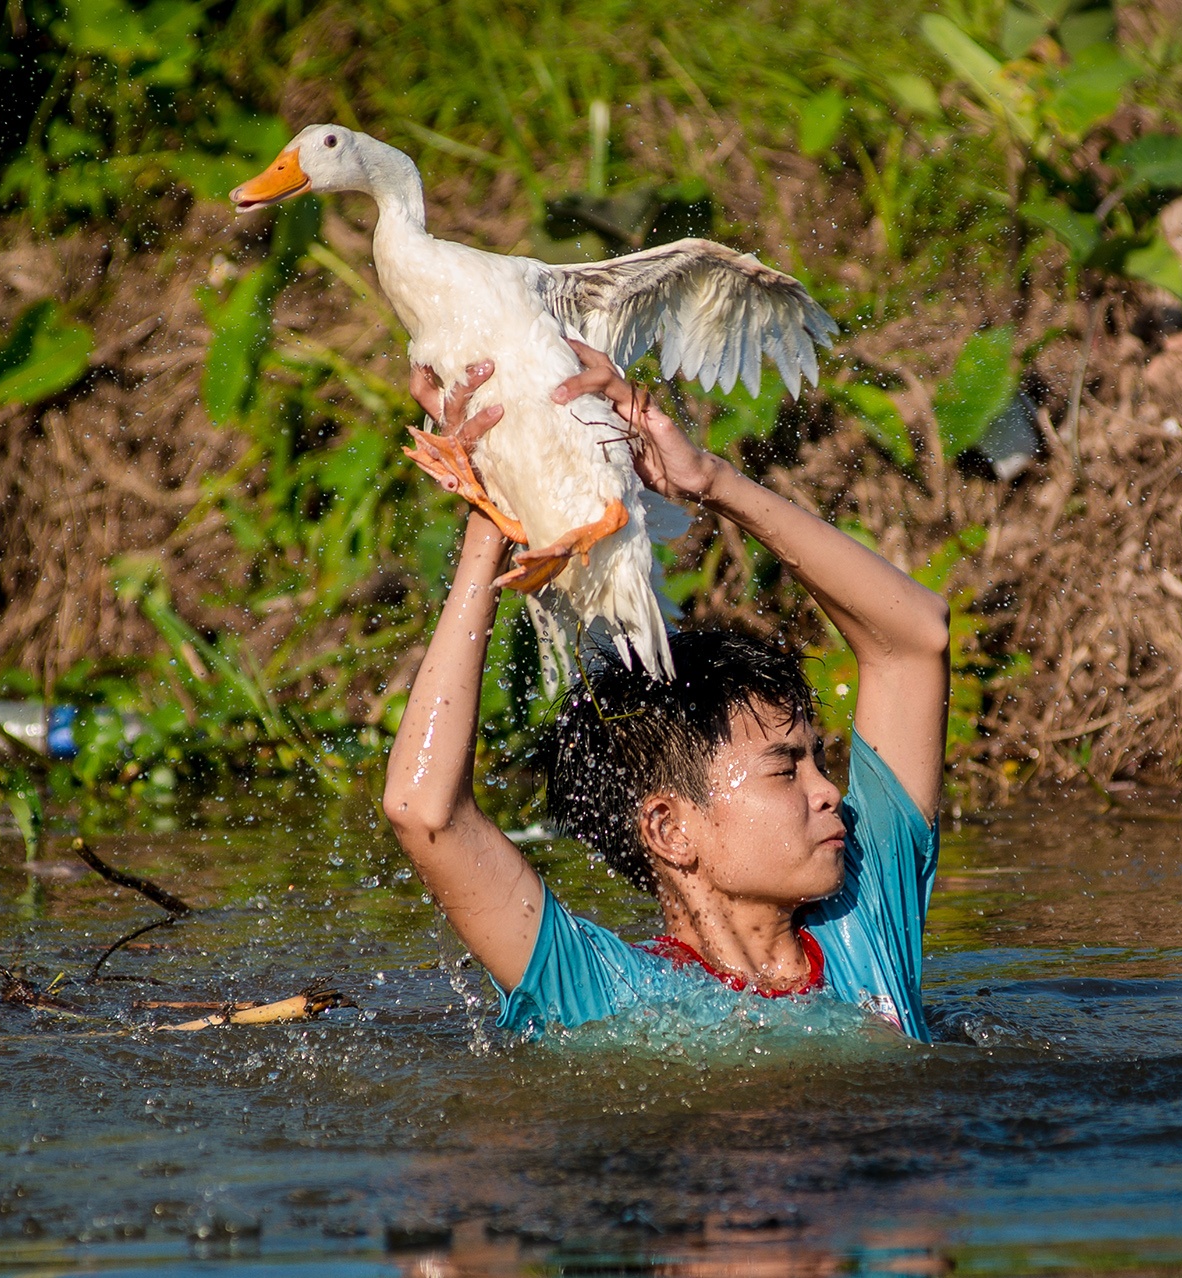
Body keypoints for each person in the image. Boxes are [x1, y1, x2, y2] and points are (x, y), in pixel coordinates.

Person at [381, 342, 950, 1041]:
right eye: (785, 767)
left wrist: (711, 481)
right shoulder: (603, 992)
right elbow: (423, 812)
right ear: (670, 829)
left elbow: (915, 640)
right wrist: (488, 526)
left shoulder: (865, 914)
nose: (830, 791)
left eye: (816, 760)